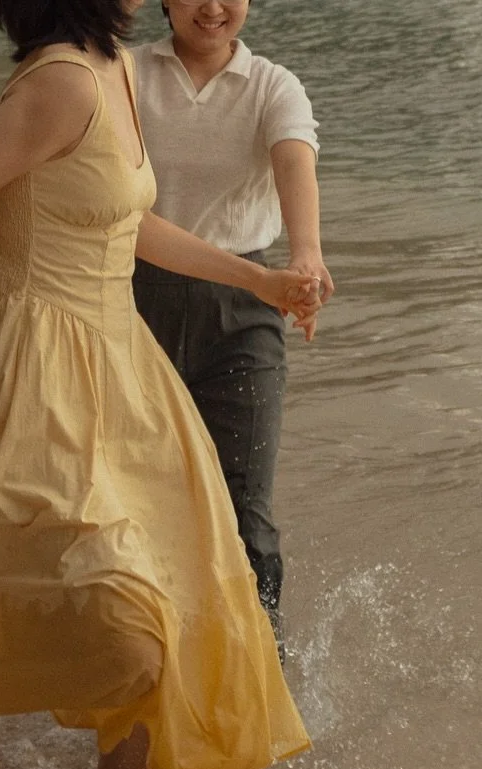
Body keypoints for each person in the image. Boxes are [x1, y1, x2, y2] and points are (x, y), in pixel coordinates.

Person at [0, 0, 316, 769]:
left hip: (119, 358)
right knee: (83, 573)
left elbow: (128, 223)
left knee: (183, 579)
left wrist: (261, 283)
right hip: (46, 356)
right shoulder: (63, 79)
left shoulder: (111, 66)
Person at [130, 0, 334, 665]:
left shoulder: (273, 85)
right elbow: (77, 179)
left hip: (244, 310)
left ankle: (257, 672)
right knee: (129, 501)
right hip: (127, 305)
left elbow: (292, 163)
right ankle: (137, 675)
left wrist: (305, 253)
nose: (212, 8)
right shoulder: (126, 74)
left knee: (245, 507)